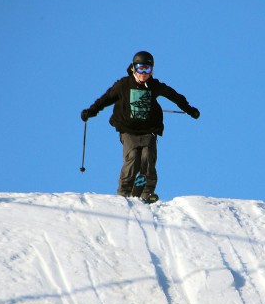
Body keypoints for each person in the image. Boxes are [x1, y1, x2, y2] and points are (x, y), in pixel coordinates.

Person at [81, 51, 200, 202]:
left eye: (148, 69)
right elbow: (105, 99)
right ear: (133, 68)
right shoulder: (123, 85)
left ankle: (147, 191)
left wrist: (190, 110)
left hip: (149, 129)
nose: (144, 73)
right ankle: (124, 191)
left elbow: (173, 95)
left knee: (147, 157)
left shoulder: (154, 86)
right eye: (140, 68)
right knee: (133, 158)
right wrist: (90, 112)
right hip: (128, 130)